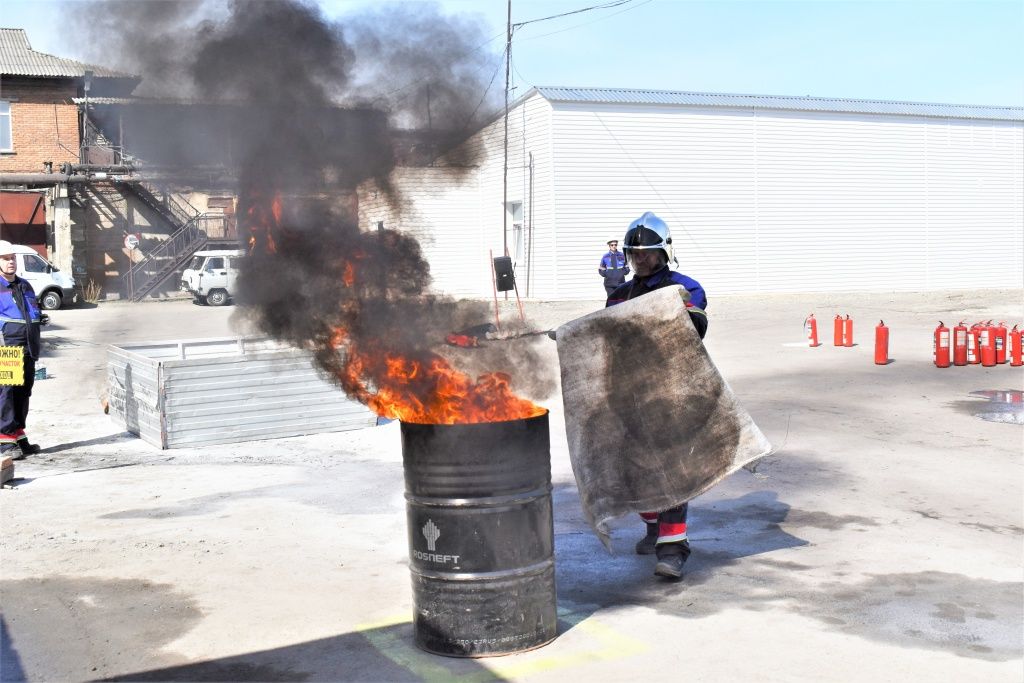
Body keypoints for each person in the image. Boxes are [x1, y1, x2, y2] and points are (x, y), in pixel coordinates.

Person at [606, 212, 708, 579]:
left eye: (648, 253)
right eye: (635, 254)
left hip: (673, 395)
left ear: (664, 252)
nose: (641, 259)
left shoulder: (684, 287)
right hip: (629, 396)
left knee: (671, 473)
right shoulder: (619, 296)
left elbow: (695, 320)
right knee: (634, 472)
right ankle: (652, 526)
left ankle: (673, 548)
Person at [0, 240, 43, 460]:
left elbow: (32, 311)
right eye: (6, 259)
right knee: (7, 391)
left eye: (13, 258)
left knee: (24, 391)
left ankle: (18, 434)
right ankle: (5, 439)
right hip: (7, 346)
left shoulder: (25, 285)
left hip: (29, 344)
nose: (11, 262)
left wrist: (38, 319)